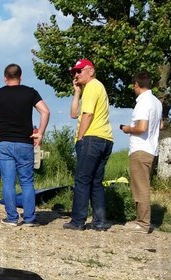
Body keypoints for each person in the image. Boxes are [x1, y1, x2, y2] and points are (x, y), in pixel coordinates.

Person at [0, 63, 50, 226]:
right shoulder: (30, 92)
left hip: (4, 143)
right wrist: (40, 133)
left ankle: (12, 218)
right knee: (27, 182)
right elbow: (45, 111)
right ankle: (29, 218)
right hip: (25, 143)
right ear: (20, 77)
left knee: (8, 182)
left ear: (5, 78)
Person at [66, 58, 114, 231]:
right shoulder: (92, 88)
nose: (76, 75)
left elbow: (87, 114)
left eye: (79, 71)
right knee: (95, 182)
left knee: (82, 180)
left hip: (92, 138)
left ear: (91, 71)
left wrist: (80, 138)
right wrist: (77, 92)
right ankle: (99, 221)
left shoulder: (93, 86)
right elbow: (74, 114)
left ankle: (78, 221)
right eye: (74, 72)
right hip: (105, 139)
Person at [120, 72, 163, 234]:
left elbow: (141, 127)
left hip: (140, 149)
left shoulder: (143, 102)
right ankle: (140, 220)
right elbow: (161, 125)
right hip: (151, 149)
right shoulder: (156, 102)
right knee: (141, 186)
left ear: (136, 85)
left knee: (140, 188)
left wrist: (127, 129)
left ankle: (143, 223)